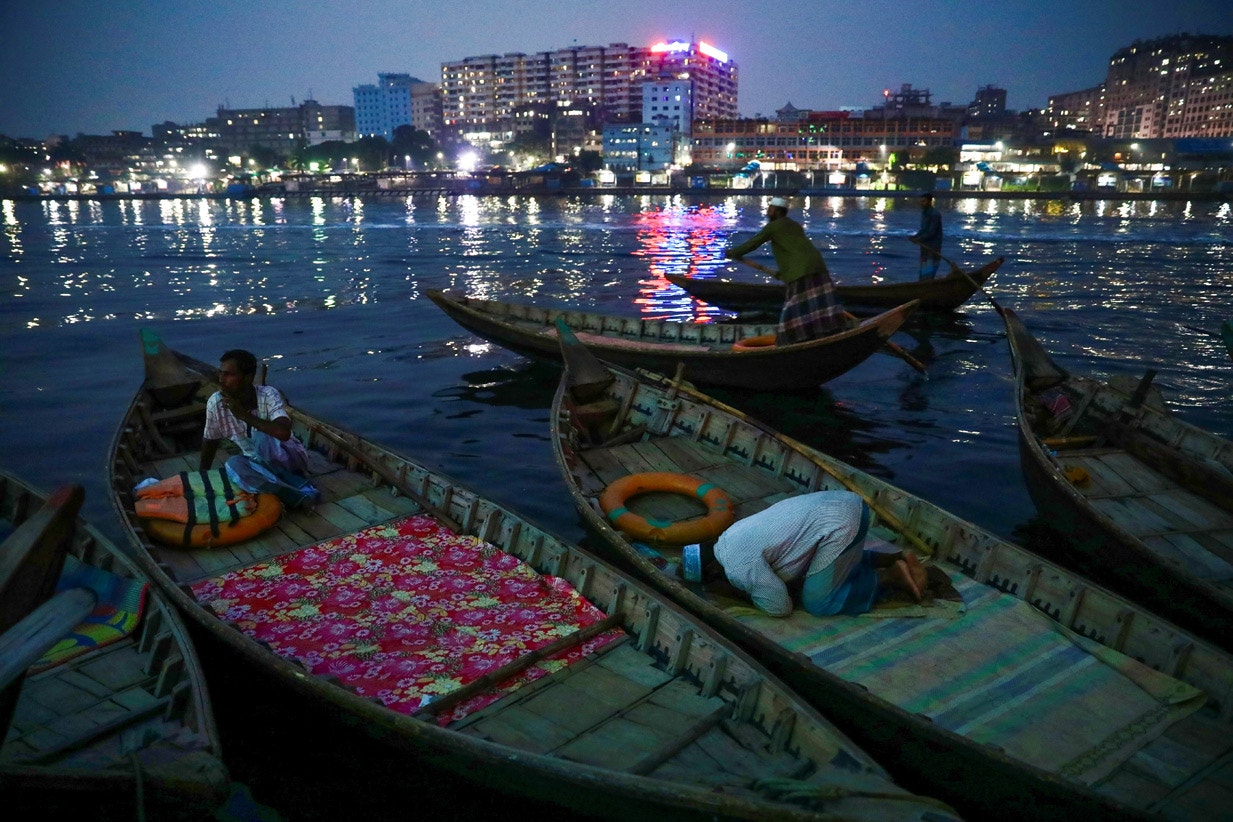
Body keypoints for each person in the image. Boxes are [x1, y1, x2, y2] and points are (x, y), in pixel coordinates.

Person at [683, 490, 926, 617]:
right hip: (844, 502)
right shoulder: (729, 536)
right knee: (818, 568)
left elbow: (779, 607)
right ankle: (892, 556)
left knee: (818, 602)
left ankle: (891, 576)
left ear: (714, 570)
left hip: (841, 524)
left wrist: (741, 593)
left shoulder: (737, 567)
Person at [199, 348, 319, 509]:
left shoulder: (268, 394)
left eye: (229, 374)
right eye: (221, 373)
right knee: (232, 464)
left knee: (260, 438)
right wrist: (203, 475)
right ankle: (295, 496)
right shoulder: (216, 403)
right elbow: (210, 440)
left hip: (289, 460)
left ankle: (296, 481)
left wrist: (243, 415)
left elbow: (283, 433)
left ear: (248, 378)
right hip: (257, 464)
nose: (221, 379)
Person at [724, 196, 845, 344]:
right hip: (817, 266)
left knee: (793, 309)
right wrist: (783, 274)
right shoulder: (794, 225)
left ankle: (788, 340)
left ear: (776, 211)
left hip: (800, 271)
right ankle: (824, 332)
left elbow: (753, 243)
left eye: (770, 209)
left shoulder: (773, 227)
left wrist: (734, 253)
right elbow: (794, 249)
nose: (768, 212)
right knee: (821, 306)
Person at [910, 192, 944, 280]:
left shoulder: (935, 214)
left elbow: (931, 232)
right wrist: (915, 237)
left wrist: (919, 239)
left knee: (929, 272)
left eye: (923, 201)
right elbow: (923, 229)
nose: (921, 203)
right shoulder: (924, 213)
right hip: (925, 247)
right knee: (923, 271)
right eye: (921, 201)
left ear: (929, 201)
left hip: (933, 247)